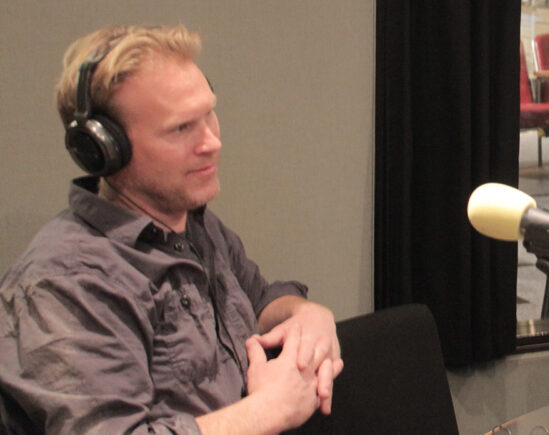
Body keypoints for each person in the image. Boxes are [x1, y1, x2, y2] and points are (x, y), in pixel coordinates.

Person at [0, 26, 343, 434]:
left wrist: (308, 314)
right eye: (182, 128)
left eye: (209, 113)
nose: (212, 141)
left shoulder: (193, 222)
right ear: (105, 149)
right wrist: (270, 410)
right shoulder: (68, 283)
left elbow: (260, 299)